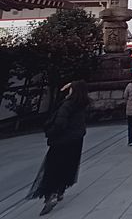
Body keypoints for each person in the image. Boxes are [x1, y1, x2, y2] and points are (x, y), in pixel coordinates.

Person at [27, 80, 89, 216]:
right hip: (76, 139)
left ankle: (51, 194)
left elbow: (60, 122)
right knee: (68, 165)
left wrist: (51, 132)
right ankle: (60, 190)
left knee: (53, 167)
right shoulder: (81, 104)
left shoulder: (67, 104)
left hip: (62, 140)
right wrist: (72, 85)